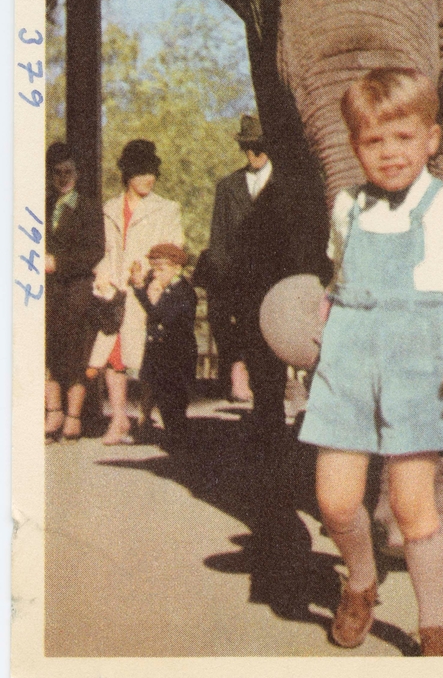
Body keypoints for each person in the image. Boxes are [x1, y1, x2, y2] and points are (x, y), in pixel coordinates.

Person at [299, 67, 443, 656]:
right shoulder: (347, 207)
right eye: (373, 141)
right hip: (346, 366)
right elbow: (340, 275)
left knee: (413, 508)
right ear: (355, 146)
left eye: (403, 138)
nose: (389, 153)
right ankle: (361, 581)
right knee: (335, 501)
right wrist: (327, 307)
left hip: (415, 370)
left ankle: (433, 620)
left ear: (431, 139)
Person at [205, 114, 331, 442]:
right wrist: (225, 284)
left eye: (259, 146)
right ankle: (267, 419)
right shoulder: (228, 187)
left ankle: (303, 418)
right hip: (244, 286)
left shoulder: (290, 187)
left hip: (283, 284)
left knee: (293, 349)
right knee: (255, 353)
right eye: (248, 147)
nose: (254, 153)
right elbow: (218, 241)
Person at [90, 139, 184, 445]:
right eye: (141, 172)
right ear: (127, 174)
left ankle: (144, 416)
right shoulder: (109, 209)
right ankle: (118, 419)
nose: (148, 178)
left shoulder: (167, 209)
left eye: (152, 172)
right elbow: (103, 250)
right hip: (116, 292)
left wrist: (155, 279)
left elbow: (174, 251)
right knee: (113, 355)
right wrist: (103, 277)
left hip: (147, 291)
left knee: (148, 356)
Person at [44, 142, 105, 442]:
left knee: (75, 352)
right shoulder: (42, 205)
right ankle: (53, 411)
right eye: (57, 173)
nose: (63, 178)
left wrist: (59, 263)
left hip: (77, 288)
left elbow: (96, 251)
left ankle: (73, 416)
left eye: (68, 172)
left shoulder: (89, 207)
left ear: (78, 174)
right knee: (48, 350)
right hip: (49, 291)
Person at [130, 244, 197, 450]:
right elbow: (155, 314)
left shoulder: (183, 291)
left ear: (177, 268)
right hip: (161, 353)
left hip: (177, 355)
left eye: (161, 269)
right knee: (163, 397)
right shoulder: (169, 289)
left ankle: (177, 438)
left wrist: (144, 293)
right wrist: (140, 288)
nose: (156, 275)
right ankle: (172, 436)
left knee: (175, 398)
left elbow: (161, 315)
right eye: (154, 269)